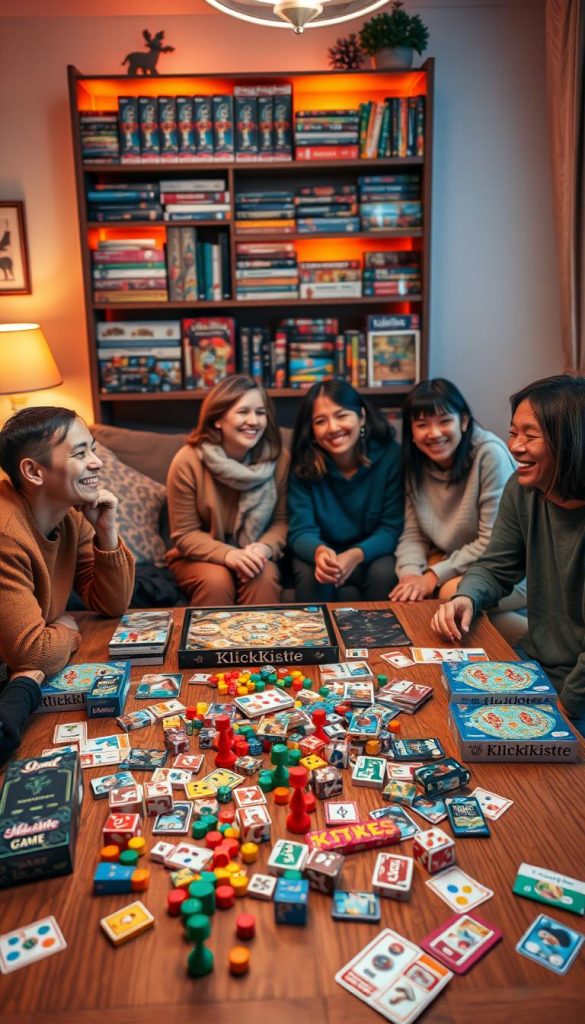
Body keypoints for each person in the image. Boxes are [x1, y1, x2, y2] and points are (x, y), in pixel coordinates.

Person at [431, 374, 585, 725]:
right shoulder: (522, 488)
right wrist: (465, 597)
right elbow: (496, 566)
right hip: (536, 663)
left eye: (530, 435)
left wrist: (565, 707)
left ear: (571, 440)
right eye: (513, 432)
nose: (514, 446)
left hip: (576, 692)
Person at [0, 406, 135, 677]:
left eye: (93, 450)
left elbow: (113, 605)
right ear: (34, 471)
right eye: (80, 453)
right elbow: (34, 655)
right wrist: (68, 630)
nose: (96, 462)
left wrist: (106, 530)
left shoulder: (70, 514)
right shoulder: (6, 535)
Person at [390, 378, 526, 639]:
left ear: (463, 421)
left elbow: (492, 542)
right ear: (411, 431)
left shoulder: (489, 454)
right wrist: (409, 577)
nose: (434, 433)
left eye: (444, 421)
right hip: (456, 564)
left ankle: (535, 643)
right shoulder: (415, 462)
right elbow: (413, 534)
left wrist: (432, 576)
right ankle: (528, 640)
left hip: (504, 572)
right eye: (422, 425)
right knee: (411, 595)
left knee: (448, 594)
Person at [166, 375, 289, 606]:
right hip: (198, 556)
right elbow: (185, 534)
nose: (254, 421)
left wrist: (264, 548)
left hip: (255, 553)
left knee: (262, 575)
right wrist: (229, 555)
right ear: (217, 419)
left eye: (260, 413)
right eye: (243, 412)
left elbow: (281, 521)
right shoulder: (187, 461)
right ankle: (207, 643)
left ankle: (264, 643)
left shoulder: (279, 458)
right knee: (217, 579)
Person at [288, 378, 403, 601]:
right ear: (311, 430)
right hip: (321, 553)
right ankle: (315, 636)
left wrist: (356, 554)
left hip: (371, 552)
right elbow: (300, 530)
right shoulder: (302, 465)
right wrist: (320, 552)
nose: (333, 428)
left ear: (361, 417)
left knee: (385, 572)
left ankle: (383, 637)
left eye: (341, 416)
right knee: (312, 574)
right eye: (321, 421)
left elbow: (391, 528)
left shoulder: (390, 457)